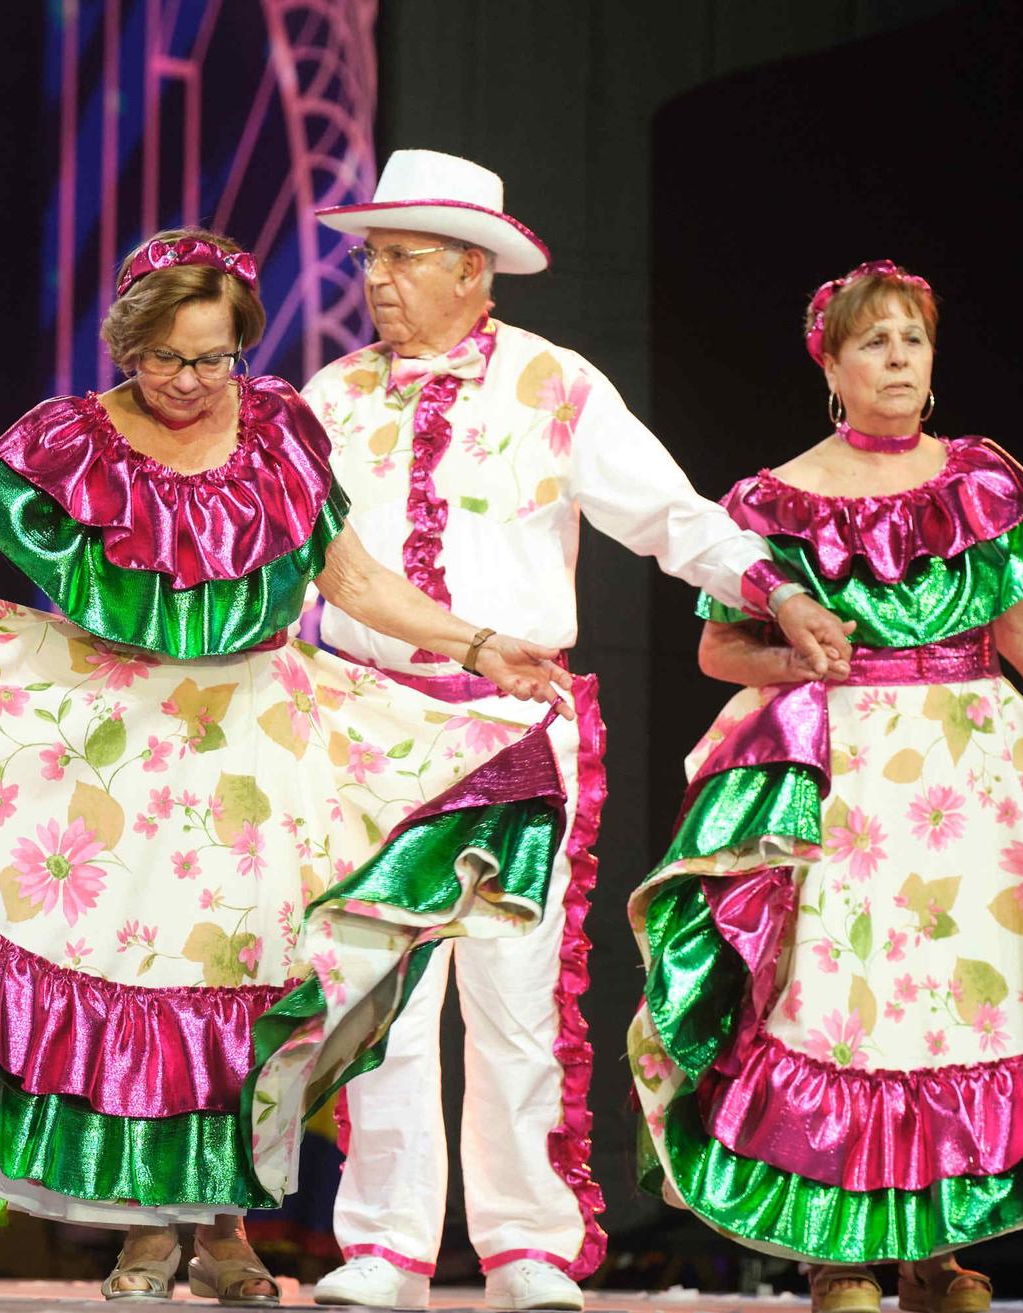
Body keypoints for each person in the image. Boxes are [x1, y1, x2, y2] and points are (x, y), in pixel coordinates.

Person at [0, 227, 573, 1305]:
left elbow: (348, 577)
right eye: (166, 359)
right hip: (121, 748)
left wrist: (478, 646)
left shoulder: (283, 431)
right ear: (127, 347)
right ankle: (145, 1235)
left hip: (260, 740)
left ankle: (226, 1230)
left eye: (213, 358)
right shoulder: (72, 437)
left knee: (234, 989)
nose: (190, 381)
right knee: (137, 990)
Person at [293, 150, 854, 1312]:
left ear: (469, 271)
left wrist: (773, 587)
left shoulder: (553, 383)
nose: (375, 279)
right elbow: (297, 560)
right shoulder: (331, 397)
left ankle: (526, 1244)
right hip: (359, 716)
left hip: (507, 719)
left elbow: (665, 514)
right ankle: (385, 1245)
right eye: (371, 257)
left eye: (401, 258)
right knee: (376, 992)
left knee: (510, 989)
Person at [626, 259, 1023, 1313]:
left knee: (966, 997)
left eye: (911, 342)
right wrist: (796, 661)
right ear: (829, 364)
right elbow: (718, 653)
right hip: (846, 774)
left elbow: (1019, 623)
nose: (896, 359)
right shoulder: (775, 497)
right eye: (872, 341)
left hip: (971, 761)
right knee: (843, 997)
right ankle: (838, 1252)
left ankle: (934, 1250)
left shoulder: (973, 477)